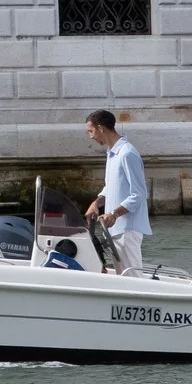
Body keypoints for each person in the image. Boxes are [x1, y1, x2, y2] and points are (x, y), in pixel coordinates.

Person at [83, 109, 150, 275]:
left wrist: (114, 213)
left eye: (91, 131)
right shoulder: (112, 153)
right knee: (123, 276)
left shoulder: (127, 154)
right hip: (115, 229)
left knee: (132, 277)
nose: (91, 136)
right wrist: (96, 203)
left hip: (127, 229)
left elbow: (139, 194)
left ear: (101, 128)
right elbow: (110, 186)